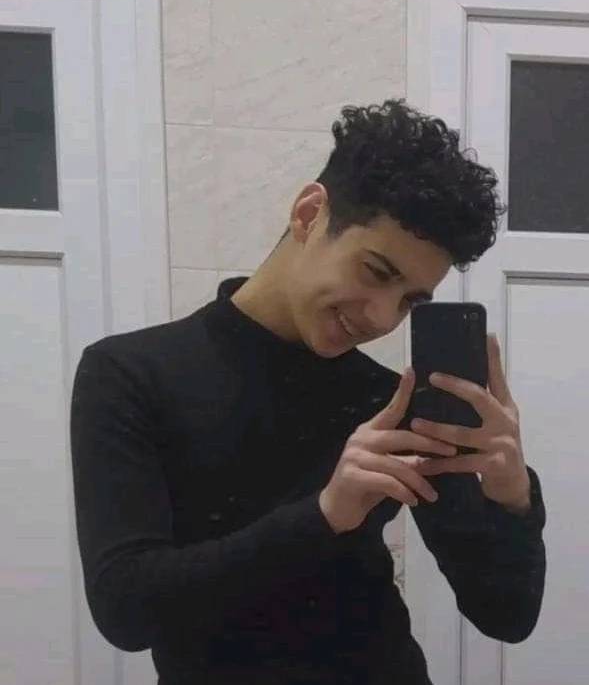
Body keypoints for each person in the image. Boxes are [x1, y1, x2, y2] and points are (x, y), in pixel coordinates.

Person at [69, 98, 546, 685]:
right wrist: (325, 515)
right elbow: (125, 609)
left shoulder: (390, 404)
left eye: (409, 301)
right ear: (309, 213)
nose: (381, 317)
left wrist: (513, 498)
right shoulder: (130, 373)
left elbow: (506, 614)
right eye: (376, 272)